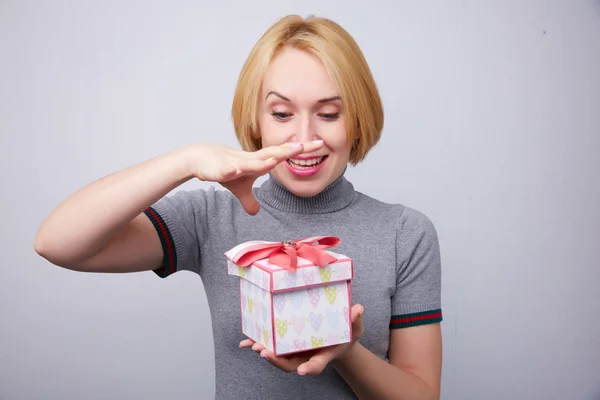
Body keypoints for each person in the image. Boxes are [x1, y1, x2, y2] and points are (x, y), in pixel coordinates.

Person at [34, 14, 443, 400]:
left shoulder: (404, 232)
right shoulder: (211, 218)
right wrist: (187, 160)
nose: (304, 138)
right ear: (257, 121)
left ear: (357, 120)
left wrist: (347, 352)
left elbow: (423, 393)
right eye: (282, 114)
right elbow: (57, 242)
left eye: (329, 113)